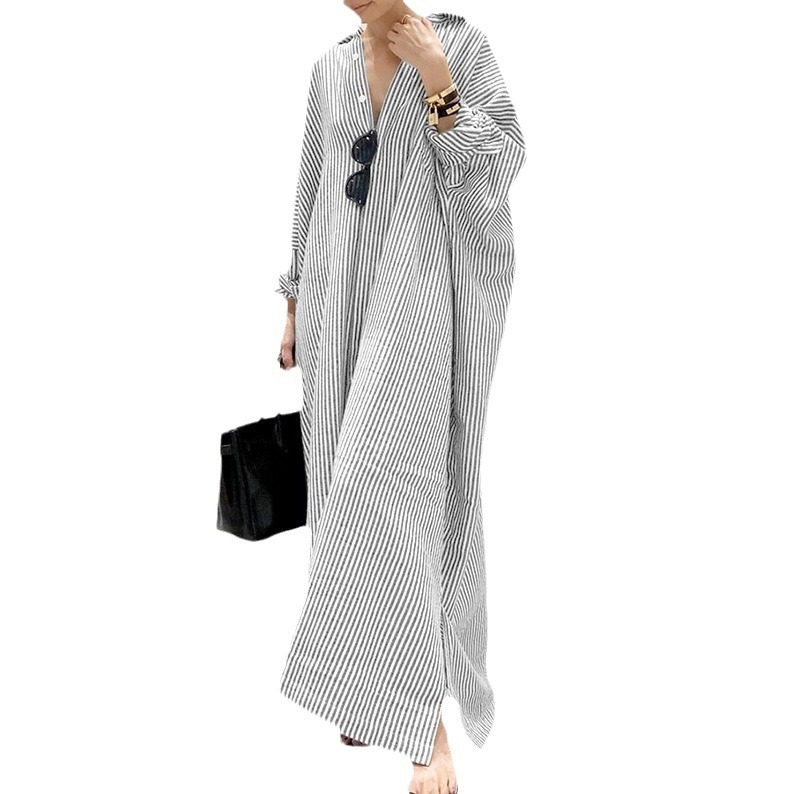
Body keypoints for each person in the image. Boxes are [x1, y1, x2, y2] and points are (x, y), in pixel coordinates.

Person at [275, 4, 526, 793]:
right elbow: (312, 186)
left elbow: (499, 165)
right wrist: (293, 303)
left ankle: (424, 721)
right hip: (334, 299)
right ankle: (363, 691)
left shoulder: (460, 46)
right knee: (336, 491)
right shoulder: (328, 69)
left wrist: (438, 78)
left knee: (394, 492)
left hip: (417, 295)